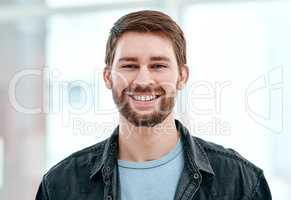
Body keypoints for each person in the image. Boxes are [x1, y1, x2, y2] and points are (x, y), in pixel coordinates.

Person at [36, 10, 272, 200]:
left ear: (182, 76)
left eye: (158, 65)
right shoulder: (60, 185)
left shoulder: (241, 182)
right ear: (108, 77)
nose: (143, 80)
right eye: (129, 66)